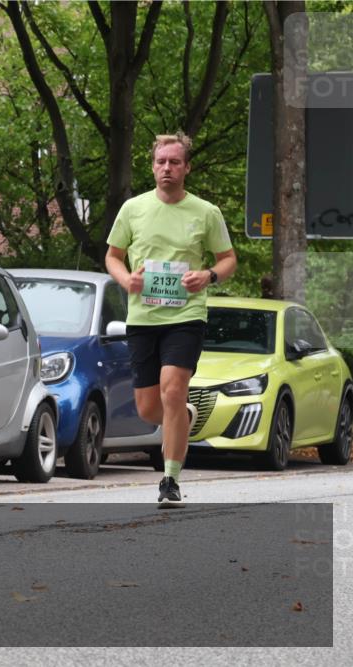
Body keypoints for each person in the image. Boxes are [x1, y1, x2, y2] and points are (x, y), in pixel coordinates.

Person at [105, 132, 237, 506]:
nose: (167, 168)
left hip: (186, 315)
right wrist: (126, 280)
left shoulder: (206, 212)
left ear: (186, 168)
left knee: (174, 388)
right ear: (153, 167)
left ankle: (170, 479)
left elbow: (228, 259)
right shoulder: (133, 209)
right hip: (143, 317)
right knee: (149, 409)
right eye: (161, 162)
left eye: (174, 162)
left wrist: (208, 276)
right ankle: (181, 415)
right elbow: (113, 256)